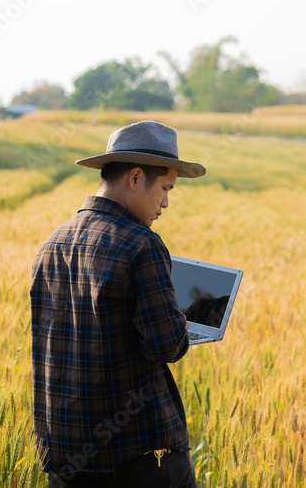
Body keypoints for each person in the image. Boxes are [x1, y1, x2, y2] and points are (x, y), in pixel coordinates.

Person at [30, 120, 206, 487]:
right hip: (139, 460)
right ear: (136, 177)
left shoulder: (53, 242)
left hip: (66, 457)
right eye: (165, 188)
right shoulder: (142, 244)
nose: (166, 202)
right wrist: (180, 326)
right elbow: (166, 345)